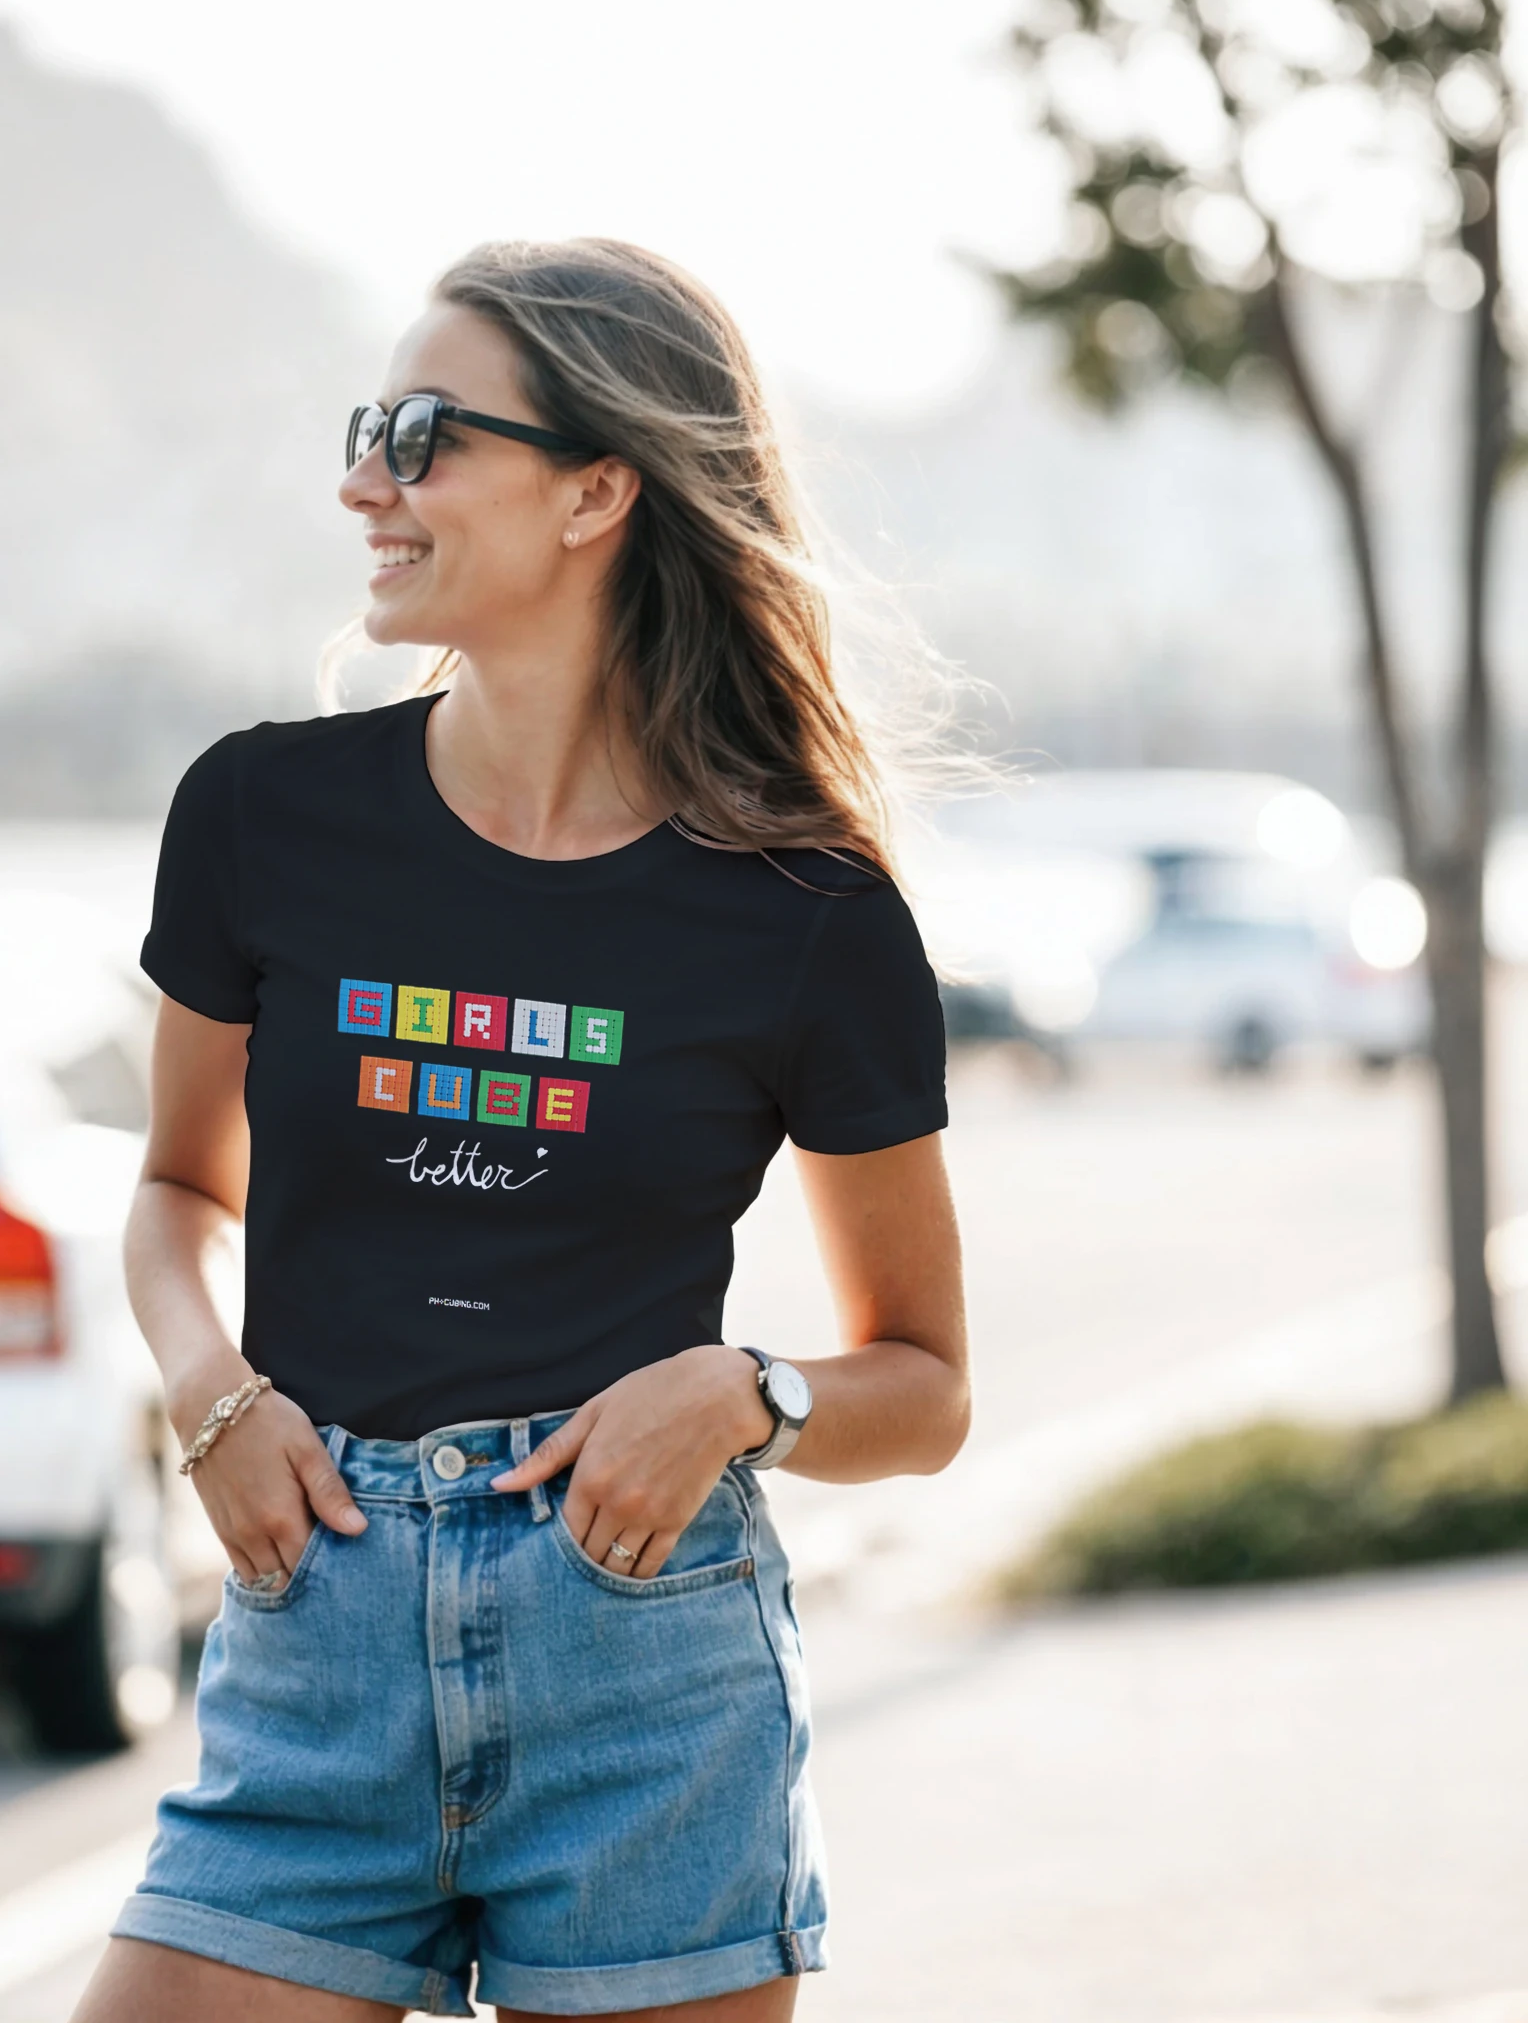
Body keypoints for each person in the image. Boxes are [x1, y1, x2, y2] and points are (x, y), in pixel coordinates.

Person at [73, 237, 968, 2023]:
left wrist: (747, 1393)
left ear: (597, 491)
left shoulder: (804, 909)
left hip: (641, 1671)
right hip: (313, 1641)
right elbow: (180, 1187)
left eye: (421, 434)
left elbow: (928, 1387)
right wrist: (210, 1398)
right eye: (364, 426)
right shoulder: (261, 814)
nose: (362, 482)